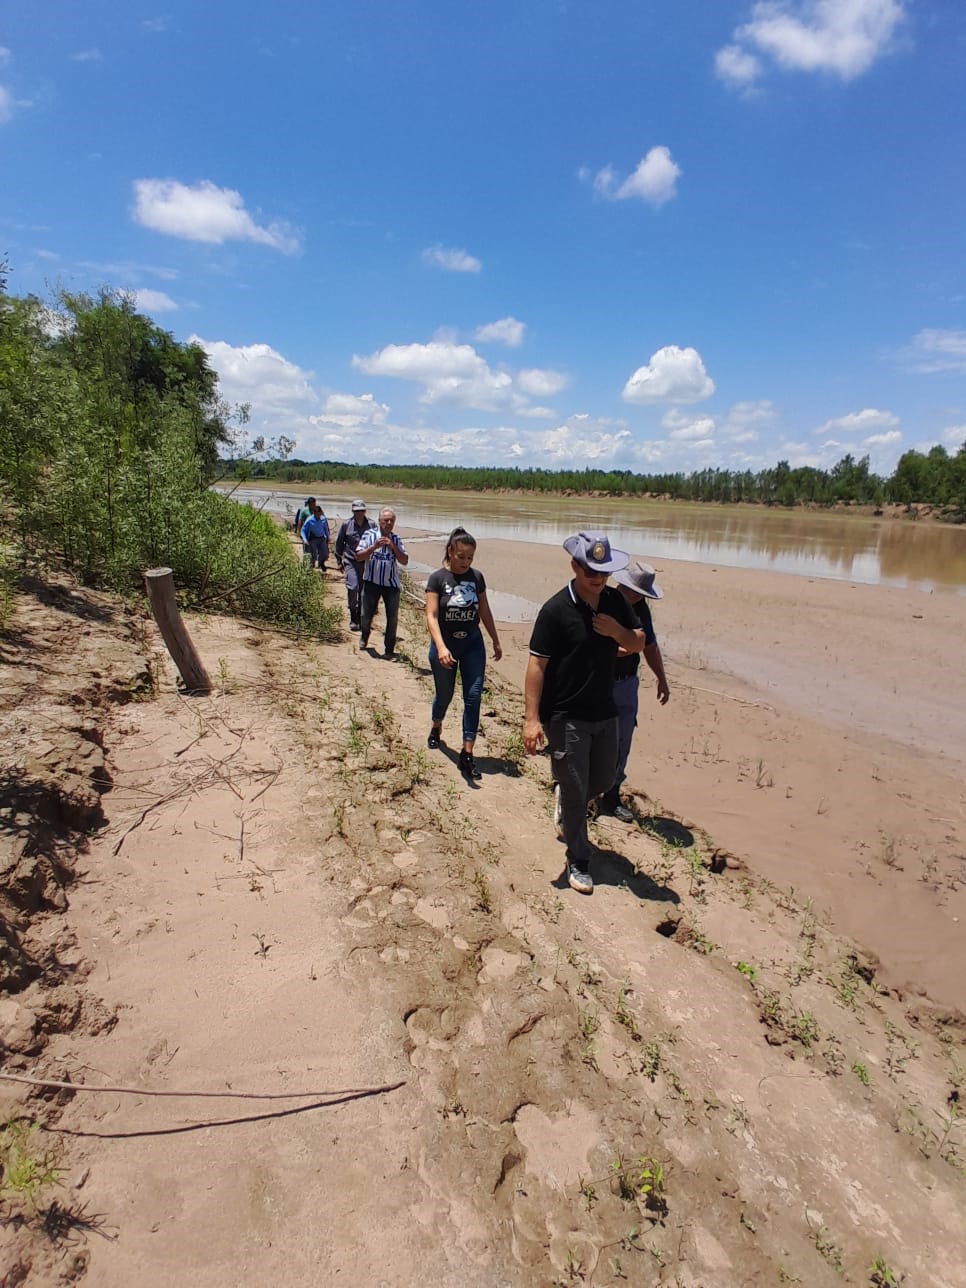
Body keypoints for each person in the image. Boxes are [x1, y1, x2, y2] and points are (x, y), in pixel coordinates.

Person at [523, 532, 644, 894]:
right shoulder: (555, 610)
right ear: (575, 565)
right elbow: (536, 665)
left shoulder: (614, 602)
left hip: (603, 710)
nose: (597, 577)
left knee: (605, 780)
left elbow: (638, 642)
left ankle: (566, 798)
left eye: (603, 570)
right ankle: (579, 859)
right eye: (589, 568)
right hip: (565, 714)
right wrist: (531, 719)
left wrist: (617, 630)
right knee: (577, 790)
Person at [425, 527, 503, 781]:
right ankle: (437, 726)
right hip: (445, 645)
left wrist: (495, 639)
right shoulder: (437, 579)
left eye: (470, 558)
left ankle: (467, 754)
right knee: (445, 695)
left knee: (473, 696)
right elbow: (431, 615)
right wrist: (440, 646)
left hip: (472, 645)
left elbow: (485, 610)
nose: (465, 562)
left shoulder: (476, 578)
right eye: (461, 557)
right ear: (450, 551)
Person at [599, 560, 670, 822]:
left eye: (640, 594)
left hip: (627, 683)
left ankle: (611, 796)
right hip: (598, 681)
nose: (635, 596)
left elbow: (649, 646)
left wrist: (661, 679)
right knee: (589, 735)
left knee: (622, 739)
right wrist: (622, 648)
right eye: (633, 591)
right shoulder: (603, 600)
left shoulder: (641, 610)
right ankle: (577, 793)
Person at [356, 506, 409, 658]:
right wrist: (373, 547)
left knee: (392, 618)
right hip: (371, 582)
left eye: (392, 521)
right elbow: (358, 556)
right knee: (366, 615)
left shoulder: (396, 539)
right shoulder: (369, 535)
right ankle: (364, 635)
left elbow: (404, 560)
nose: (389, 523)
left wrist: (393, 547)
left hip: (391, 586)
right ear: (379, 521)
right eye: (386, 520)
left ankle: (389, 649)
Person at [334, 500, 376, 631]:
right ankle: (353, 616)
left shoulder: (372, 524)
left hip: (366, 563)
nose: (359, 513)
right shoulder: (347, 524)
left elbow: (376, 543)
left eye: (361, 511)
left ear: (365, 511)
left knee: (364, 592)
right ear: (353, 511)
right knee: (353, 587)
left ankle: (359, 616)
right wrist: (338, 561)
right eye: (357, 511)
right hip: (350, 561)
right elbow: (339, 543)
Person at [300, 505, 330, 571]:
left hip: (322, 538)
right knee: (314, 555)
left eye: (319, 514)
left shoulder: (323, 519)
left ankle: (321, 564)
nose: (318, 516)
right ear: (314, 513)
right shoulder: (309, 520)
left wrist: (328, 537)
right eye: (317, 514)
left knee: (325, 554)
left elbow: (326, 529)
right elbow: (303, 530)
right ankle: (311, 568)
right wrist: (305, 539)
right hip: (313, 539)